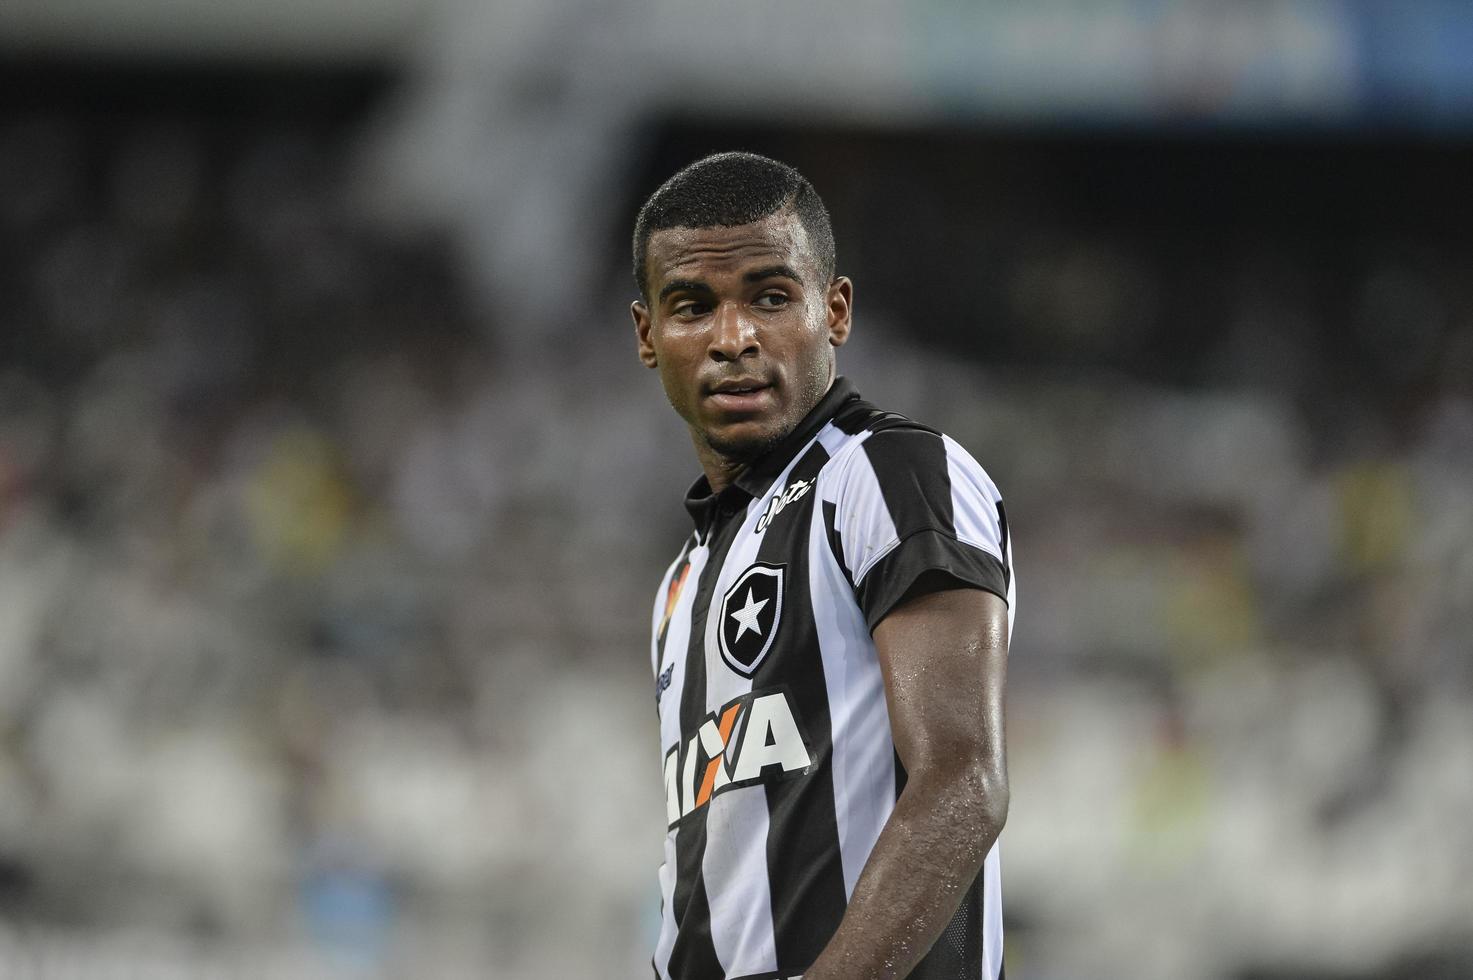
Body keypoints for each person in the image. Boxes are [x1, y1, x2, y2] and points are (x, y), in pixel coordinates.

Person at [631, 151, 1014, 980]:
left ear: (833, 310)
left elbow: (960, 781)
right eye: (692, 306)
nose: (733, 338)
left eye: (770, 297)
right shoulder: (680, 585)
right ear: (647, 336)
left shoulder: (890, 474)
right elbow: (707, 884)